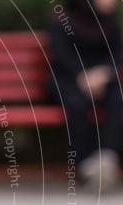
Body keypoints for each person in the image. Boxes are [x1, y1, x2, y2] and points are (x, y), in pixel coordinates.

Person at [49, 0, 122, 190]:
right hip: (70, 80)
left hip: (102, 81)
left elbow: (116, 56)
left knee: (118, 98)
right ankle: (83, 166)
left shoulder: (110, 24)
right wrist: (82, 75)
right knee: (77, 104)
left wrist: (102, 74)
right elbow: (61, 56)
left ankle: (106, 157)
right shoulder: (62, 21)